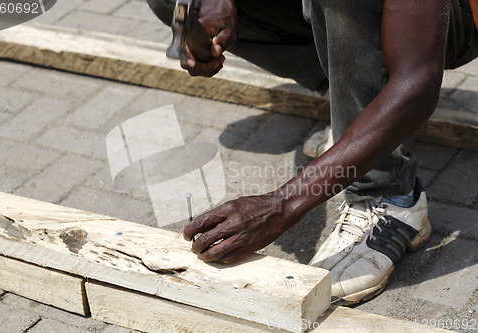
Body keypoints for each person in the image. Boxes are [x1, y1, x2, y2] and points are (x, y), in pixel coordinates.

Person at [146, 0, 478, 304]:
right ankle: (355, 102)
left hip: (447, 22)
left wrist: (284, 204)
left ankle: (390, 199)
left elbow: (417, 83)